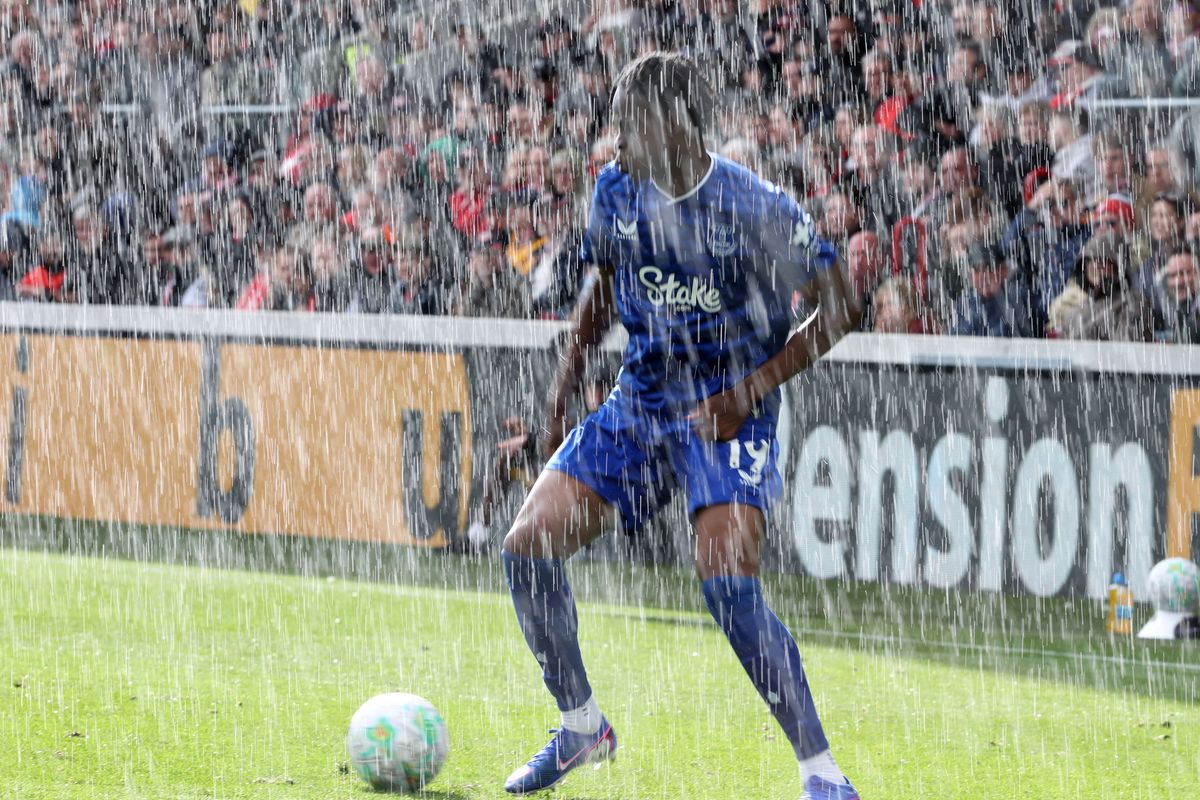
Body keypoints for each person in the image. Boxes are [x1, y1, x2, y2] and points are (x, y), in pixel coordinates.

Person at [500, 52, 862, 800]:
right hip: (644, 397)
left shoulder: (755, 206)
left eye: (625, 122)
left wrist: (751, 389)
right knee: (528, 545)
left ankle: (821, 774)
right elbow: (603, 289)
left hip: (732, 406)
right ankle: (580, 728)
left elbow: (845, 304)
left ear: (671, 122)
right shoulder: (616, 190)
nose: (612, 140)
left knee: (726, 582)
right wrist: (561, 402)